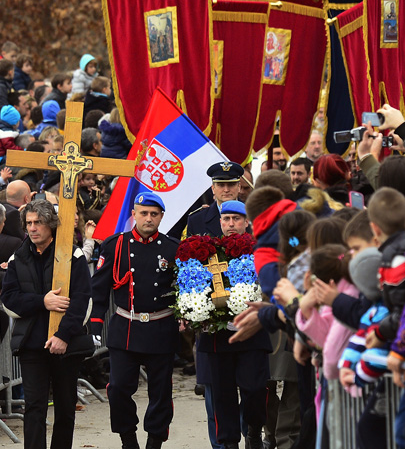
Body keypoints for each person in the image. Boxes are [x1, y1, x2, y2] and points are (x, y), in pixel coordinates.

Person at [90, 193, 180, 449]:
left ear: (161, 217)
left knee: (160, 393)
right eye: (143, 213)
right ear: (134, 214)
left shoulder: (173, 248)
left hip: (161, 328)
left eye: (154, 214)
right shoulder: (115, 245)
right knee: (117, 388)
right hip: (126, 327)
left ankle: (155, 441)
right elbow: (99, 288)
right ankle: (128, 439)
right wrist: (95, 323)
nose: (148, 218)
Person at [1, 199, 92, 449]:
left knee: (65, 407)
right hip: (32, 343)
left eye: (38, 222)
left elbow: (82, 299)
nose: (32, 228)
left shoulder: (72, 255)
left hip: (67, 343)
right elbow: (9, 298)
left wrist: (63, 335)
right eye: (29, 223)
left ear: (50, 225)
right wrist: (43, 301)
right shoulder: (17, 257)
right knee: (34, 407)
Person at [197, 199, 270, 449]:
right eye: (226, 219)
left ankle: (253, 429)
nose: (231, 224)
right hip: (218, 336)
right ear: (220, 222)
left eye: (236, 219)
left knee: (256, 389)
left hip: (253, 333)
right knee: (222, 395)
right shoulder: (207, 251)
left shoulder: (260, 250)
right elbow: (193, 287)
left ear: (246, 222)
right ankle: (229, 443)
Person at [185, 161, 244, 238]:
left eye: (231, 184)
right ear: (213, 188)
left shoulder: (253, 215)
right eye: (221, 185)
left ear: (239, 187)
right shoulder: (196, 220)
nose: (226, 190)